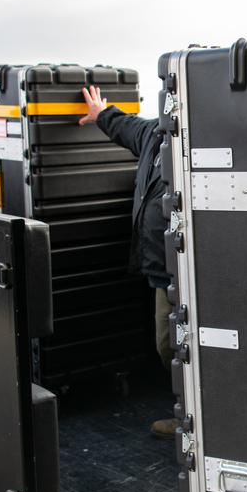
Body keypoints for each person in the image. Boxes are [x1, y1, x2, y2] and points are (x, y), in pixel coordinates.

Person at [79, 87, 177, 438]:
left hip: (196, 272)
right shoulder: (152, 134)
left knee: (190, 347)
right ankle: (189, 412)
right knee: (168, 345)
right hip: (161, 271)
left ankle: (200, 418)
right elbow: (124, 125)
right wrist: (100, 113)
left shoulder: (201, 139)